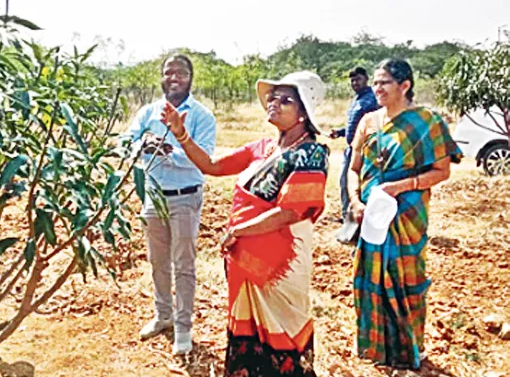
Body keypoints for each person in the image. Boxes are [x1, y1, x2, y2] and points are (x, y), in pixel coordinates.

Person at [162, 71, 329, 376]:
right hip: (245, 261)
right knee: (247, 334)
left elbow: (291, 212)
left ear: (303, 113)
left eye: (286, 100)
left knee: (282, 330)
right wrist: (181, 135)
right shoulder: (261, 149)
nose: (274, 104)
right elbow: (211, 166)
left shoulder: (310, 155)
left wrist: (238, 231)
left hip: (280, 268)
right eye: (273, 98)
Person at [348, 59, 462, 369]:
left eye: (384, 82)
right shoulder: (368, 122)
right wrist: (355, 201)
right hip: (372, 215)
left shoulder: (426, 122)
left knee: (407, 278)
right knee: (368, 276)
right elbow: (353, 169)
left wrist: (402, 186)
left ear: (405, 86)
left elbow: (442, 171)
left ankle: (411, 349)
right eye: (375, 82)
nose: (377, 88)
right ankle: (377, 349)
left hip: (407, 215)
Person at [127, 54, 216, 354]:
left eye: (180, 72)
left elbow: (202, 161)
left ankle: (183, 327)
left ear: (191, 78)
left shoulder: (202, 116)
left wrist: (168, 152)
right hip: (153, 195)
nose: (173, 77)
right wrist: (142, 145)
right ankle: (162, 316)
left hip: (185, 198)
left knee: (184, 264)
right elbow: (125, 143)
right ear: (162, 78)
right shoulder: (148, 113)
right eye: (168, 72)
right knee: (157, 261)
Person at [330, 67, 379, 223]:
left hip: (364, 151)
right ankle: (347, 217)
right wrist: (339, 133)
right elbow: (354, 127)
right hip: (350, 149)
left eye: (357, 79)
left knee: (361, 185)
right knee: (345, 182)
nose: (354, 83)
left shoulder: (372, 100)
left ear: (366, 79)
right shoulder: (356, 100)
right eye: (352, 80)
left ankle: (360, 219)